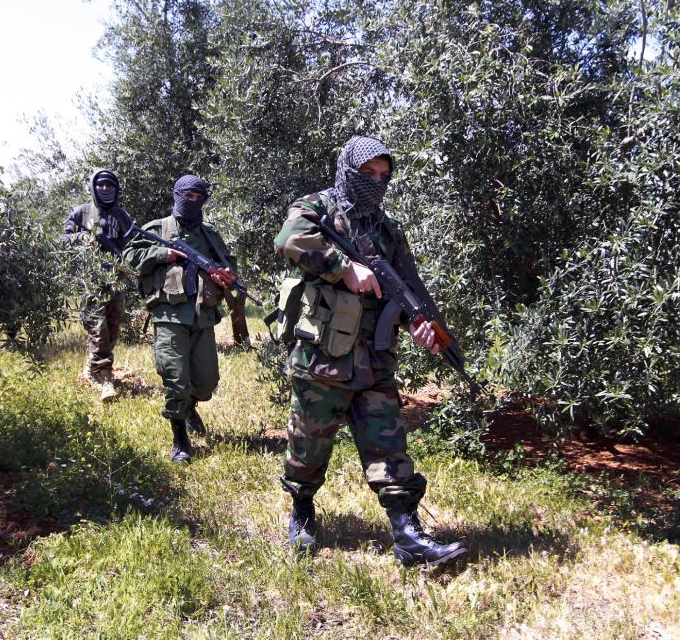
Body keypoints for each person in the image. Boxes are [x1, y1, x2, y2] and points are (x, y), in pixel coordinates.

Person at [272, 135, 467, 568]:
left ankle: (407, 534)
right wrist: (344, 268)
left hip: (375, 359)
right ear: (348, 169)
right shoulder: (316, 207)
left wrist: (422, 325)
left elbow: (408, 288)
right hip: (323, 355)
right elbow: (288, 240)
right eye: (368, 174)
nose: (376, 183)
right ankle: (302, 511)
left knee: (389, 446)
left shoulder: (388, 229)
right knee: (308, 447)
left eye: (384, 176)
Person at [123, 175, 237, 463]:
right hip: (169, 313)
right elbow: (130, 255)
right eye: (188, 196)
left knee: (207, 381)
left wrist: (222, 274)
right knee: (176, 379)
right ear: (176, 195)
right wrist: (163, 254)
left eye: (199, 197)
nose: (193, 202)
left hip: (203, 314)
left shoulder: (209, 234)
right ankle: (180, 441)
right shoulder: (157, 229)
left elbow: (228, 264)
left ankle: (190, 407)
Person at [60, 169, 133, 401]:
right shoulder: (82, 212)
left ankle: (91, 367)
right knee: (97, 329)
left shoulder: (122, 216)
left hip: (116, 280)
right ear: (93, 186)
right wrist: (81, 238)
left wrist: (126, 262)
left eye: (109, 186)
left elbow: (134, 245)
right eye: (100, 185)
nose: (104, 189)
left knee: (112, 329)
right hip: (90, 281)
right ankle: (105, 379)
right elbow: (62, 239)